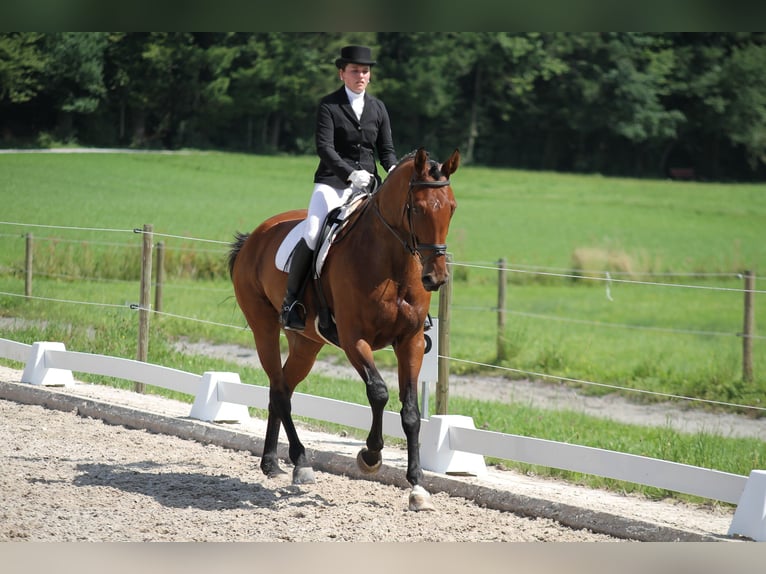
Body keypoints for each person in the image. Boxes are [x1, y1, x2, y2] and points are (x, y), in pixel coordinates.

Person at [281, 44, 398, 331]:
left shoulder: (378, 108)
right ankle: (291, 302)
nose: (361, 75)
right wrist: (349, 174)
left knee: (398, 232)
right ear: (342, 73)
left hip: (369, 187)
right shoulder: (329, 106)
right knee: (312, 233)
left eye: (365, 71)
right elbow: (325, 148)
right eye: (355, 70)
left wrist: (393, 170)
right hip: (332, 184)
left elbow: (386, 150)